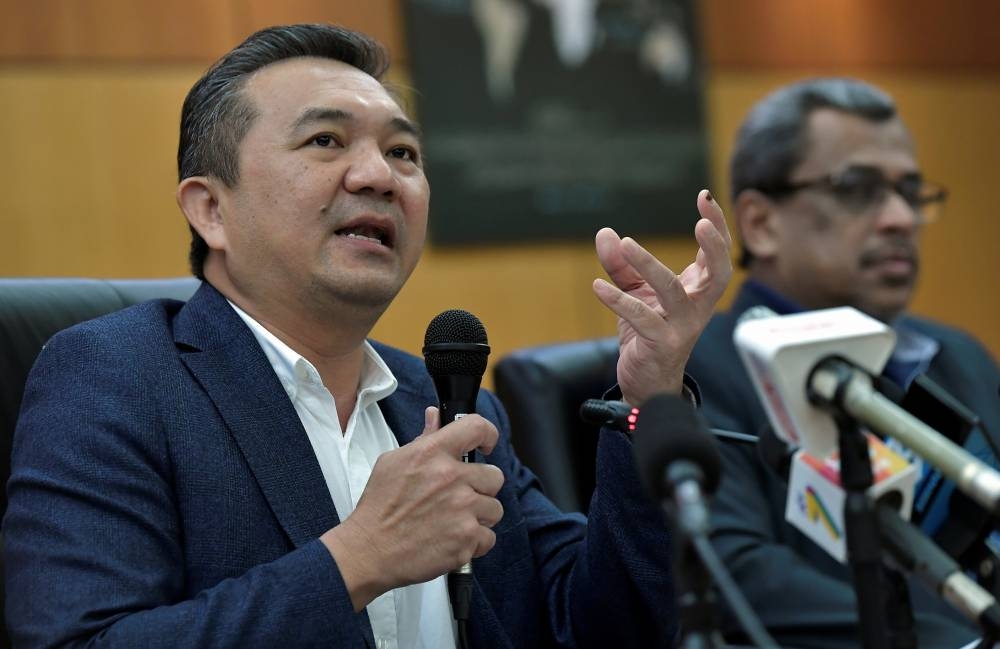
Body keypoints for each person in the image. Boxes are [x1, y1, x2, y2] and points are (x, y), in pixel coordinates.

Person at [2, 23, 733, 648]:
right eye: (326, 139)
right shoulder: (114, 375)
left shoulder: (442, 400)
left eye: (404, 153)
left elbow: (593, 627)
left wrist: (650, 391)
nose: (380, 176)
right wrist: (355, 559)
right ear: (211, 210)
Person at [685, 77, 1000, 649]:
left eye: (909, 190)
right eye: (857, 188)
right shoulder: (693, 370)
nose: (900, 218)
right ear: (760, 223)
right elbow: (736, 575)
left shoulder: (958, 356)